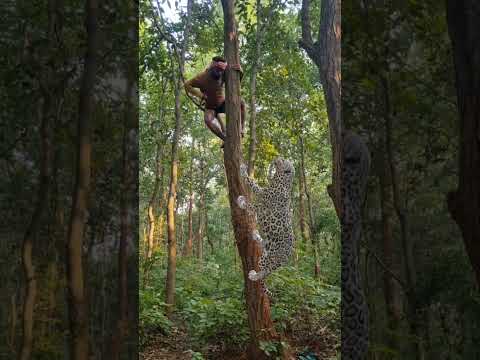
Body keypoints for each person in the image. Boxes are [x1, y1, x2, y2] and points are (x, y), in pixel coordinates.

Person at [184, 56, 246, 146]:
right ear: (212, 66)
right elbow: (187, 85)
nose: (220, 72)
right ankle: (224, 138)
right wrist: (200, 95)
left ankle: (241, 129)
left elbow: (235, 82)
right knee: (208, 120)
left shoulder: (223, 73)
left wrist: (240, 72)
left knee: (242, 102)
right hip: (210, 106)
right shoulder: (201, 77)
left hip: (223, 103)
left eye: (221, 70)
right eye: (218, 69)